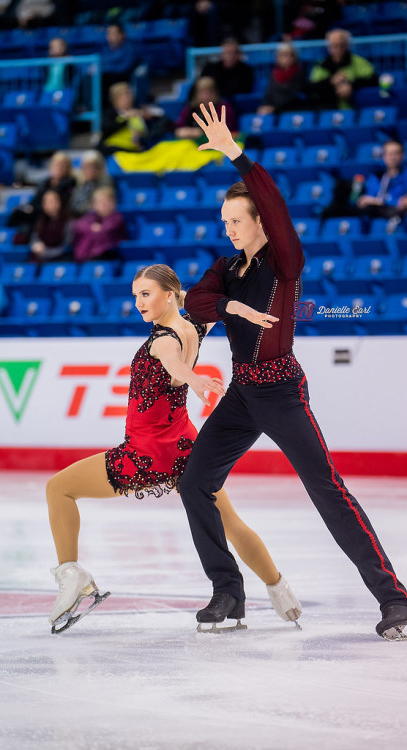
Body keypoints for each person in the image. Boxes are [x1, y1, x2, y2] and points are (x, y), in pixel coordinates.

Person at [178, 102, 407, 641]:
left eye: (236, 221)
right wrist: (234, 308)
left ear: (258, 224)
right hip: (243, 394)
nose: (227, 230)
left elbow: (275, 206)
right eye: (223, 222)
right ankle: (228, 590)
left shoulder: (283, 261)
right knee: (195, 480)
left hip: (280, 390)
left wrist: (237, 155)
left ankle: (397, 602)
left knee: (327, 490)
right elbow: (197, 300)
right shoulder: (227, 269)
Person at [46, 263, 302, 632]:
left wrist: (194, 378)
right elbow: (213, 318)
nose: (138, 302)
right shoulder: (194, 326)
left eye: (146, 294)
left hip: (144, 455)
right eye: (135, 295)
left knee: (58, 488)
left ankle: (71, 577)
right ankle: (280, 590)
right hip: (185, 449)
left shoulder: (164, 338)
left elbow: (172, 362)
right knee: (230, 523)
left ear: (169, 294)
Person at [8, 151, 76, 240]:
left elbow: (64, 203)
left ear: (67, 168)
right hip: (39, 209)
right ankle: (12, 241)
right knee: (18, 213)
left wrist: (47, 206)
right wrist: (28, 207)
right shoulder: (45, 183)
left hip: (55, 213)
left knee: (36, 220)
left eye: (62, 165)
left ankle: (28, 241)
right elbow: (35, 200)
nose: (59, 168)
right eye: (56, 165)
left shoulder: (69, 183)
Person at [305, 29, 377, 110]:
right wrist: (331, 82)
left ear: (347, 46)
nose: (337, 49)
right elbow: (314, 88)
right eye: (334, 46)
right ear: (328, 47)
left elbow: (373, 79)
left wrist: (351, 86)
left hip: (357, 107)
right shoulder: (321, 65)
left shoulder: (359, 62)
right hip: (328, 109)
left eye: (341, 45)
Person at [99, 82, 171, 155]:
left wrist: (148, 118)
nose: (130, 98)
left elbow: (162, 119)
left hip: (137, 149)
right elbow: (106, 128)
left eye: (130, 94)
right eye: (125, 95)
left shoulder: (139, 111)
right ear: (116, 99)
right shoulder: (110, 113)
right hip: (117, 151)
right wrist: (126, 118)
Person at [356, 141, 407, 218]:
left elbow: (406, 201)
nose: (392, 157)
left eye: (396, 153)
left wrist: (380, 201)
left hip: (398, 212)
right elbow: (369, 197)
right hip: (376, 211)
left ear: (403, 155)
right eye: (389, 154)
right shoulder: (376, 176)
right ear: (384, 156)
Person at [72, 187, 126, 263]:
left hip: (109, 256)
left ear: (113, 203)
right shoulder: (89, 218)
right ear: (94, 205)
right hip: (87, 258)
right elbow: (78, 226)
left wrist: (96, 230)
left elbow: (109, 229)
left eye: (107, 201)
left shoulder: (117, 218)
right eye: (100, 202)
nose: (104, 204)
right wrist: (92, 228)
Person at [257, 43, 304, 116]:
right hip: (274, 110)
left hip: (291, 111)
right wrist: (265, 106)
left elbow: (294, 96)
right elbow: (268, 95)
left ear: (294, 57)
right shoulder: (274, 74)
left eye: (288, 55)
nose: (286, 58)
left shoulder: (299, 73)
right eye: (282, 55)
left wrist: (274, 108)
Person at [100, 23, 140, 102]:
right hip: (108, 78)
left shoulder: (130, 49)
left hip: (123, 78)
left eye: (113, 33)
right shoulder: (105, 50)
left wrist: (104, 69)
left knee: (102, 79)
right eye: (108, 33)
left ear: (122, 35)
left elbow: (124, 68)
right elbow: (100, 64)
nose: (110, 36)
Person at [30, 189, 72, 262]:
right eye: (45, 202)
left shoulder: (68, 222)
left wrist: (46, 252)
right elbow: (34, 239)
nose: (48, 205)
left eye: (51, 201)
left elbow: (66, 247)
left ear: (58, 203)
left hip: (60, 259)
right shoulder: (41, 220)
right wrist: (35, 246)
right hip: (40, 258)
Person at [70, 151, 113, 217]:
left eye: (93, 167)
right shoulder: (80, 184)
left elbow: (100, 206)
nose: (90, 170)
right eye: (86, 167)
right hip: (78, 218)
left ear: (99, 168)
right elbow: (73, 204)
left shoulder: (105, 183)